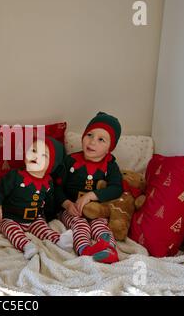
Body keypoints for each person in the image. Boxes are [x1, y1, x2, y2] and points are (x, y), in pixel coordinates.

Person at [54, 112, 123, 264]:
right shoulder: (70, 161)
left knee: (101, 226)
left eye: (101, 139)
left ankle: (109, 250)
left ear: (109, 148)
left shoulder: (110, 165)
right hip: (72, 209)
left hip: (97, 211)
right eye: (89, 135)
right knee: (80, 225)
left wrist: (91, 195)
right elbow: (56, 187)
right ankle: (84, 249)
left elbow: (117, 188)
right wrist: (66, 203)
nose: (92, 142)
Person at [0, 137, 72, 259]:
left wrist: (51, 216)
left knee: (43, 228)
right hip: (11, 217)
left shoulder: (48, 182)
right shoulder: (15, 176)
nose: (36, 156)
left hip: (34, 218)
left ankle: (59, 240)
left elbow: (50, 202)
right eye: (33, 150)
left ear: (52, 165)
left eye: (44, 155)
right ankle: (26, 246)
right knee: (10, 230)